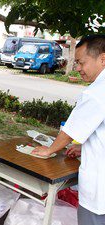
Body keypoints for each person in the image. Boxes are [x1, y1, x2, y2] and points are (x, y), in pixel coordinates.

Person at [32, 34, 105, 225]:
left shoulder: (97, 91)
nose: (78, 68)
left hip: (100, 195)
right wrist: (86, 147)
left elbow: (71, 130)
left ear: (102, 58)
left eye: (81, 62)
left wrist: (50, 149)